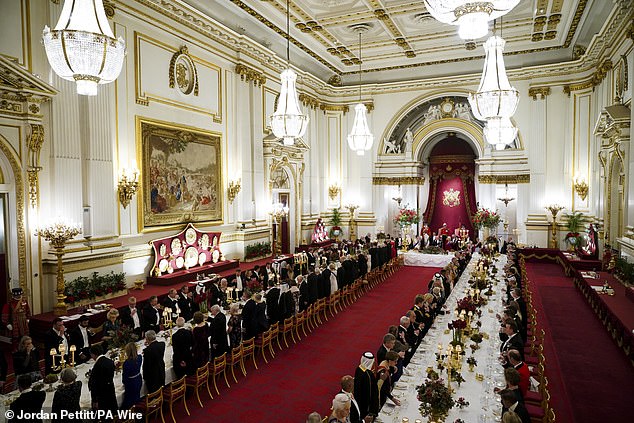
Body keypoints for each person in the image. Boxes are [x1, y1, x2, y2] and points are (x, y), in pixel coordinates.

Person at [88, 345, 117, 416]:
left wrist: (95, 401)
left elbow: (94, 385)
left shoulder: (97, 366)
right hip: (110, 391)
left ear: (93, 354)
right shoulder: (110, 361)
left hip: (102, 397)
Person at [354, 352, 379, 421]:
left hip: (358, 399)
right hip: (366, 404)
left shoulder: (358, 369)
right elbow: (372, 392)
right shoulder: (369, 374)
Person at [121, 342, 142, 410]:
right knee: (137, 395)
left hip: (131, 383)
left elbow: (125, 377)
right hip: (138, 379)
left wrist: (124, 382)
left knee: (129, 399)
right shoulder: (139, 358)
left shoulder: (127, 363)